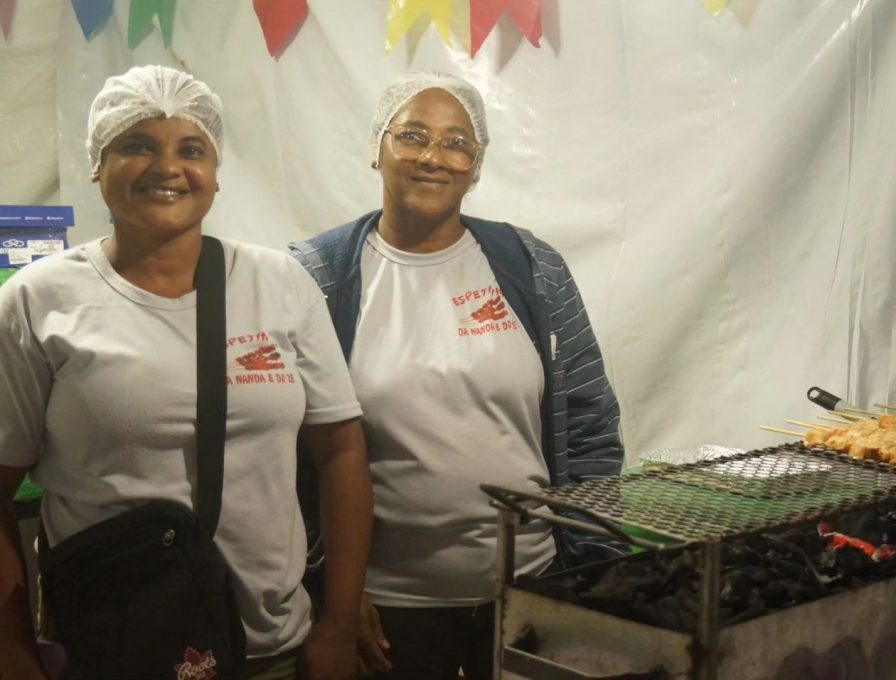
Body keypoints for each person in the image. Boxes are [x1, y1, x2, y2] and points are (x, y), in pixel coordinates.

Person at [0, 65, 372, 680]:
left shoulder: (280, 283)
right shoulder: (38, 300)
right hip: (115, 648)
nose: (168, 167)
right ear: (97, 163)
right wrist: (12, 651)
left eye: (191, 149)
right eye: (138, 144)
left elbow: (342, 449)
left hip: (270, 647)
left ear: (216, 173)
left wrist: (339, 620)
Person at [290, 72, 627, 680]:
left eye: (456, 143)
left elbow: (589, 421)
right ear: (376, 147)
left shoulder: (533, 267)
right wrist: (334, 595)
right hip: (385, 612)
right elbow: (286, 454)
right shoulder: (317, 278)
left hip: (533, 589)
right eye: (412, 135)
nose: (433, 157)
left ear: (476, 166)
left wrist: (589, 568)